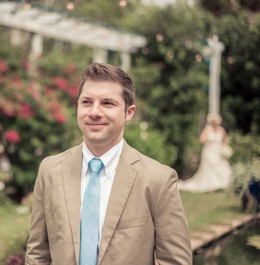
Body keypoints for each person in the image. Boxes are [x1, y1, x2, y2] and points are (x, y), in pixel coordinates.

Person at [26, 63, 191, 264]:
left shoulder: (158, 180)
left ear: (129, 112)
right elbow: (37, 254)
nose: (94, 112)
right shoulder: (49, 170)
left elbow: (175, 261)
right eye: (87, 102)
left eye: (107, 103)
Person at [176, 113, 232, 193]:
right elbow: (201, 139)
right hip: (209, 152)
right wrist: (209, 140)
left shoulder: (221, 129)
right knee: (209, 170)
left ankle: (222, 185)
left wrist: (224, 148)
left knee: (222, 167)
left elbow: (226, 139)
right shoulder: (207, 129)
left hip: (218, 153)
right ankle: (210, 187)